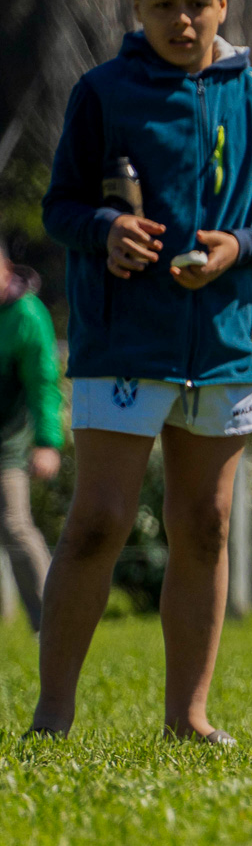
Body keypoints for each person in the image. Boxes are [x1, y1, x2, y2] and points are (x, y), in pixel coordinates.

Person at [29, 0, 252, 743]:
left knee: (207, 526)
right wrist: (105, 231)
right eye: (163, 5)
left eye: (196, 4)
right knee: (99, 519)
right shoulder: (102, 92)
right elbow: (60, 207)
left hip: (223, 347)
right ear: (138, 8)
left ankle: (188, 719)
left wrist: (239, 247)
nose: (181, 20)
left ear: (223, 4)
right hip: (124, 344)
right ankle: (52, 716)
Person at [0, 242, 63, 631]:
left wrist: (47, 442)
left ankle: (52, 624)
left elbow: (44, 383)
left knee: (14, 524)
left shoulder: (26, 315)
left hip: (8, 442)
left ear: (6, 267)